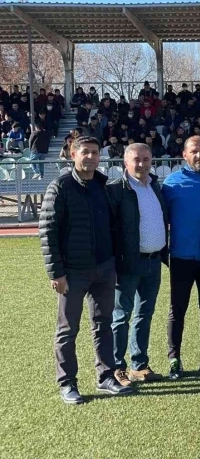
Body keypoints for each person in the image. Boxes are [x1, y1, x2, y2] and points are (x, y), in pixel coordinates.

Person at [39, 136, 133, 404]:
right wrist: (56, 273)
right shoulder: (60, 187)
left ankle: (106, 376)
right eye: (85, 152)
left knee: (104, 325)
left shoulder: (104, 186)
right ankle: (67, 383)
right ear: (73, 155)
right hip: (72, 272)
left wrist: (116, 261)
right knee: (68, 329)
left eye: (95, 152)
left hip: (104, 269)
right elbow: (47, 231)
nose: (91, 157)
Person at [162, 136, 200, 379]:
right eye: (194, 151)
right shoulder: (171, 183)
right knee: (177, 309)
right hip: (181, 258)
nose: (199, 155)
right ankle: (174, 359)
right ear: (184, 154)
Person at [107, 143, 168, 385]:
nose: (141, 164)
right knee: (121, 316)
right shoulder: (116, 190)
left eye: (146, 159)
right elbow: (110, 230)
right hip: (127, 264)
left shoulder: (155, 186)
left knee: (144, 314)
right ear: (125, 162)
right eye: (136, 159)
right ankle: (117, 367)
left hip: (153, 262)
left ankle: (139, 365)